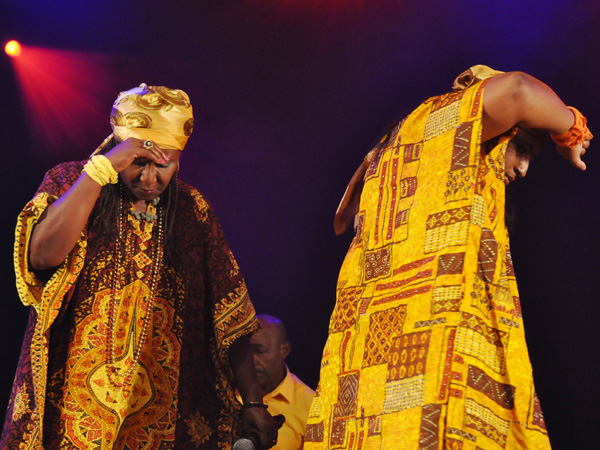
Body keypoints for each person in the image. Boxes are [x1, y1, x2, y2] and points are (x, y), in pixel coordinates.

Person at [304, 66, 592, 449]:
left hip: (367, 377)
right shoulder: (446, 120)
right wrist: (572, 129)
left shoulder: (401, 147)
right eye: (521, 150)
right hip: (430, 361)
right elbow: (519, 90)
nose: (522, 170)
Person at [1, 84, 280, 450]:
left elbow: (231, 314)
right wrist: (103, 170)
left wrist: (255, 401)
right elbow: (41, 257)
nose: (150, 178)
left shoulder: (193, 210)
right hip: (72, 411)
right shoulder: (72, 180)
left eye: (164, 164)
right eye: (139, 163)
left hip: (162, 418)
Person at [250, 315, 315, 450]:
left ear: (284, 350)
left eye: (260, 351)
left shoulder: (310, 406)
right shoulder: (226, 392)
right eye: (246, 352)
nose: (251, 360)